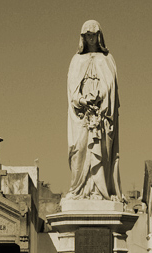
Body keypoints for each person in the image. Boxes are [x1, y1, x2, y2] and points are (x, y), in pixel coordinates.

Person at [66, 20, 122, 201]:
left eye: (94, 34)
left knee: (103, 151)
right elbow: (71, 89)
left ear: (99, 36)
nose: (91, 38)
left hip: (102, 116)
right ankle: (79, 189)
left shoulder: (107, 59)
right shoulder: (76, 60)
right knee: (79, 149)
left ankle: (101, 191)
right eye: (87, 35)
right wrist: (82, 100)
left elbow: (111, 86)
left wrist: (100, 96)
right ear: (83, 38)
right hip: (82, 115)